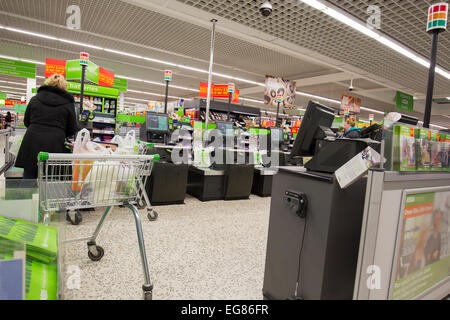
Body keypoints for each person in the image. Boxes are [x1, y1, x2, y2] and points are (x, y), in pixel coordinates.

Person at [15, 74, 78, 179]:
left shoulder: (35, 99)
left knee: (29, 177)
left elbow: (27, 121)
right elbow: (72, 128)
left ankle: (26, 194)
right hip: (56, 143)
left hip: (32, 141)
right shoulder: (68, 103)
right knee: (52, 179)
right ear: (64, 87)